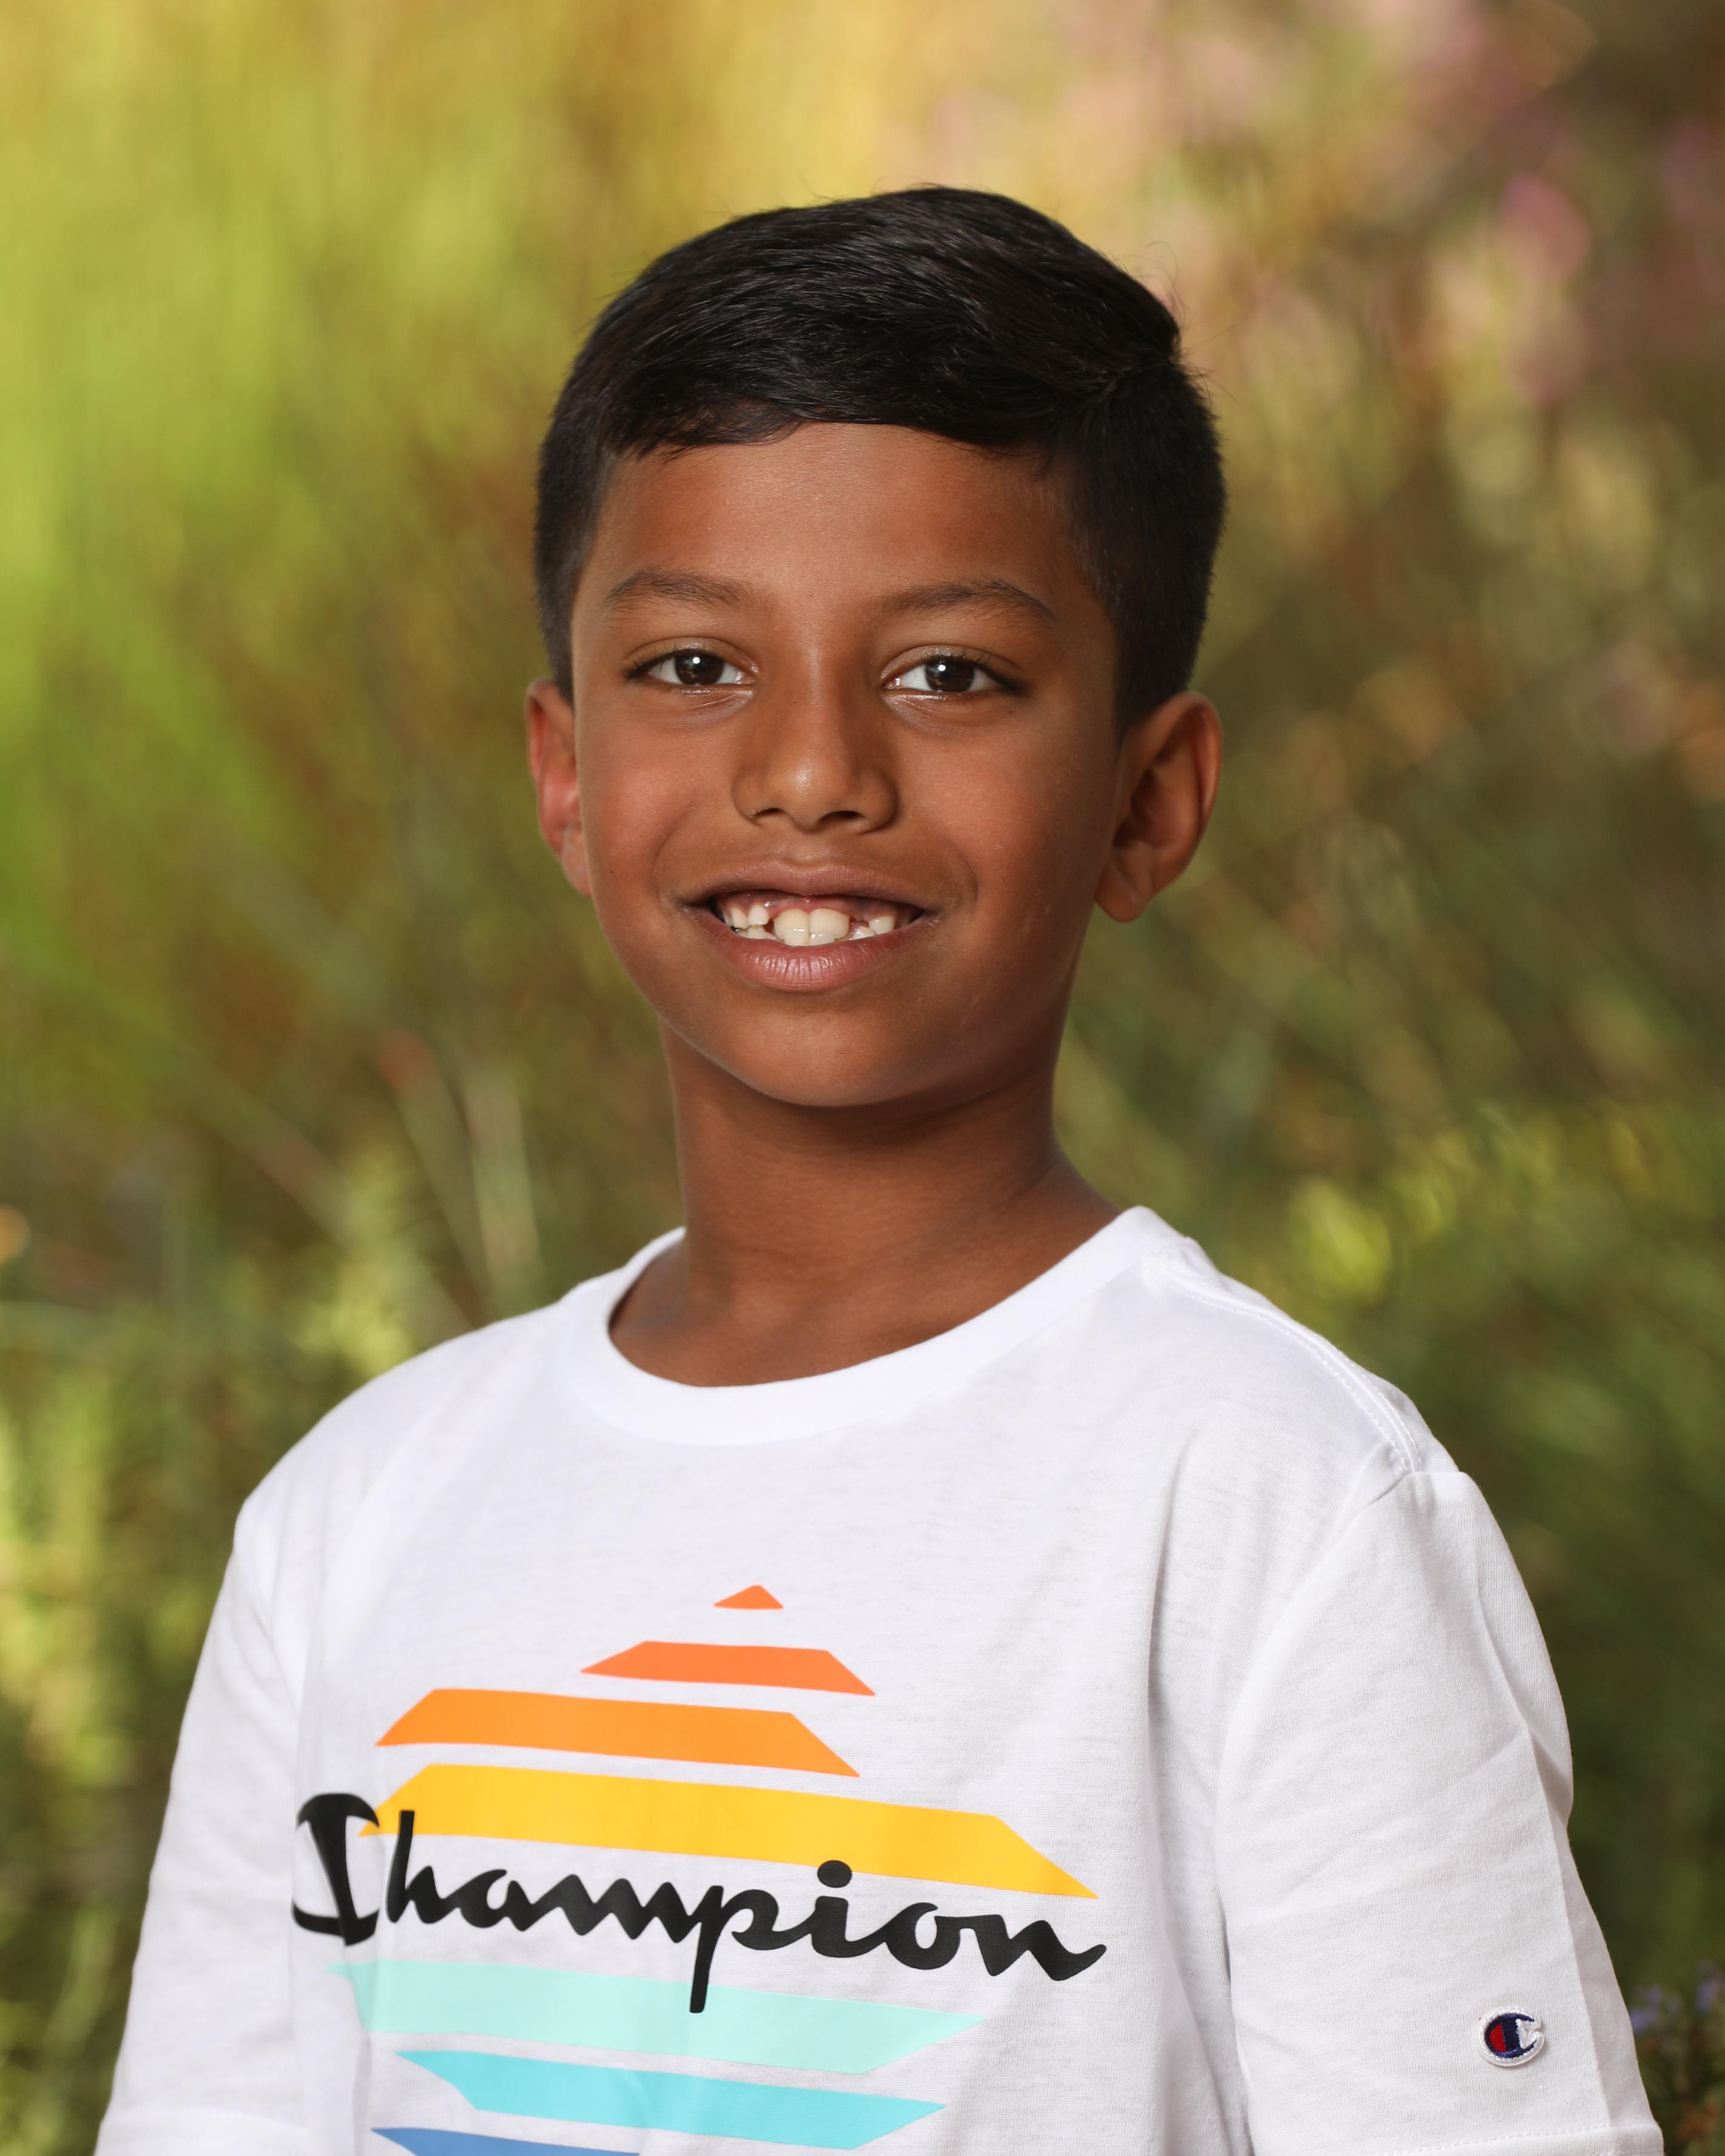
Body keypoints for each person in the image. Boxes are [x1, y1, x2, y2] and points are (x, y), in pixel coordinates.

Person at [95, 188, 1657, 2156]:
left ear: (1148, 798)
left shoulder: (1273, 1505)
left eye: (949, 676)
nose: (812, 770)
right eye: (692, 664)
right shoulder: (358, 1513)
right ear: (563, 775)